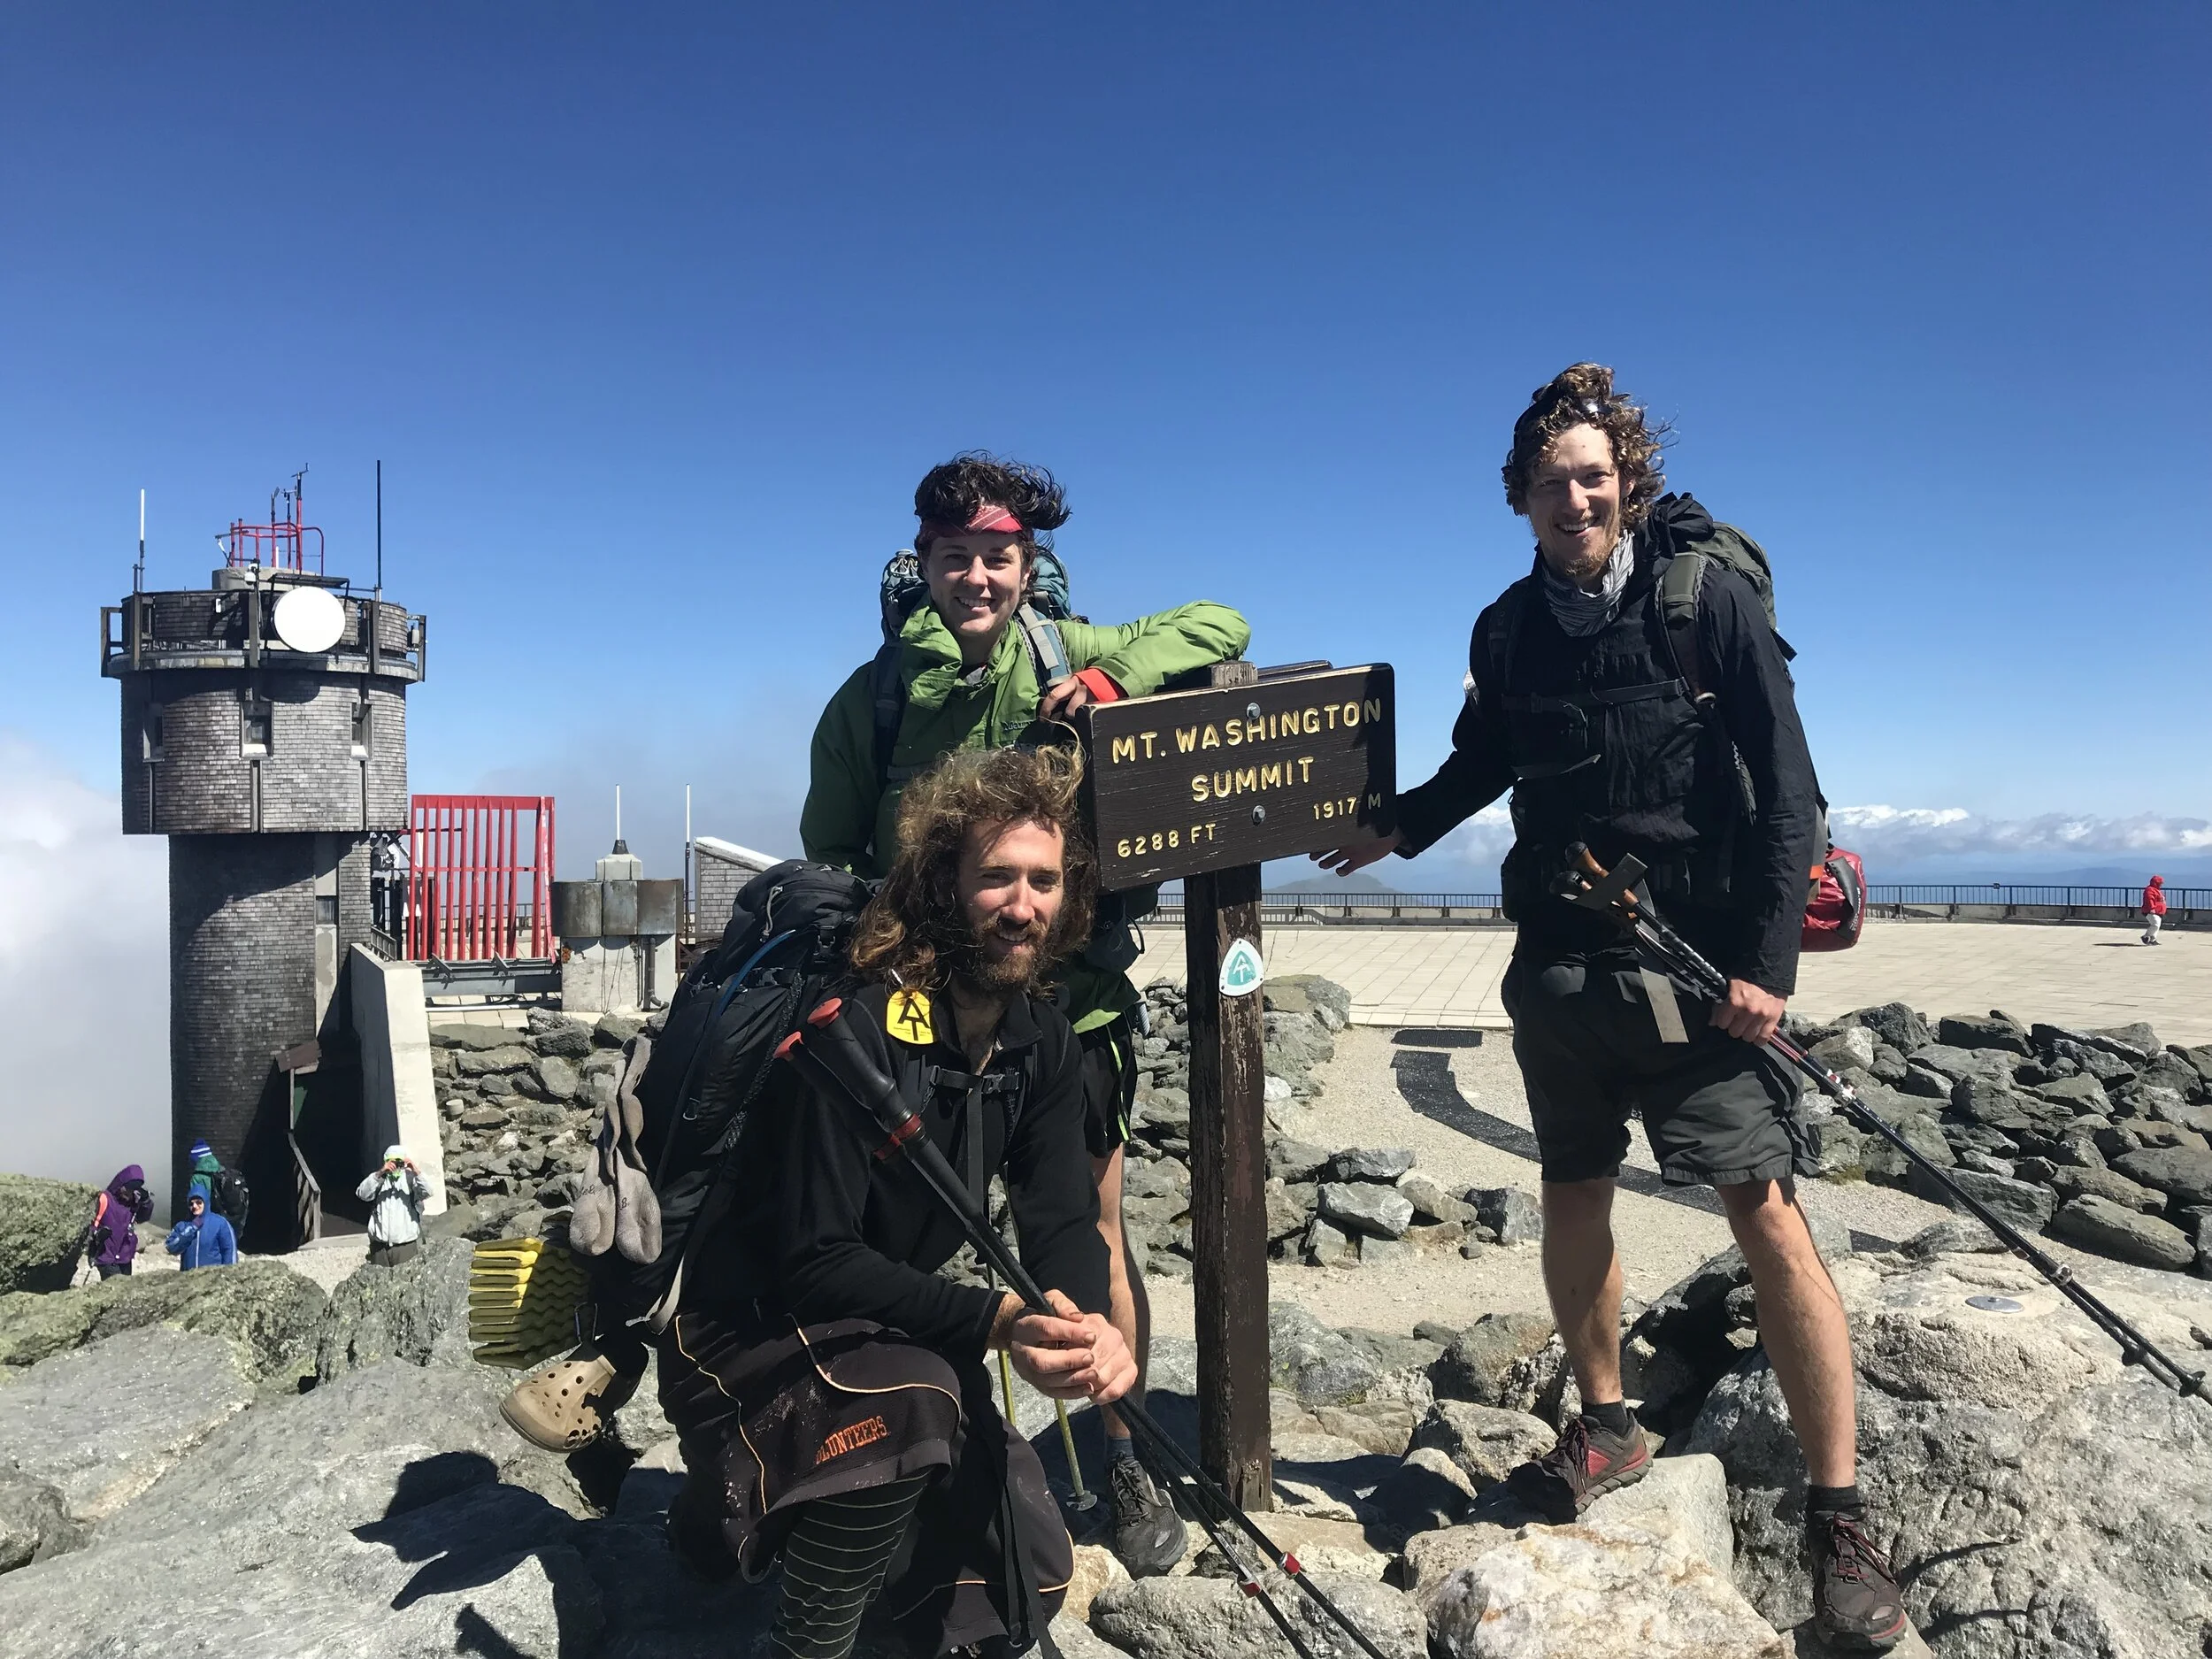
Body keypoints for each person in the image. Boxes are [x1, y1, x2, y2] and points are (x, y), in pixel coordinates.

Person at [1317, 364, 1906, 1651]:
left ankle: (1839, 1509)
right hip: (1567, 966)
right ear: (1520, 497)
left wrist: (1768, 967)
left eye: (1593, 475)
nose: (1573, 496)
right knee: (1573, 1186)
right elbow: (1488, 760)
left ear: (1624, 479)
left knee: (1764, 1206)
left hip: (1701, 973)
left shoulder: (1710, 604)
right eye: (1550, 481)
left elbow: (1790, 790)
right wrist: (1398, 826)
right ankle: (1609, 1421)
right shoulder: (1504, 626)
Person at [800, 452, 1248, 1575]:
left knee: (1088, 1230)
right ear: (926, 562)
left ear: (1027, 562)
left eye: (998, 558)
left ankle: (1121, 1449)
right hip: (915, 1017)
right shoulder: (876, 697)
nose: (978, 579)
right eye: (956, 558)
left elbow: (1220, 621)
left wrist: (1108, 680)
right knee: (878, 1236)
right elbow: (830, 852)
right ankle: (858, 1465)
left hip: (1075, 1007)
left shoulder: (1068, 651)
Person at [662, 745, 1135, 1659]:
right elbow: (816, 1258)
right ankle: (801, 1637)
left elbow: (1062, 1220)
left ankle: (753, 1528)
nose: (1022, 903)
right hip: (741, 1331)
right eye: (995, 876)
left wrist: (1081, 1327)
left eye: (1043, 880)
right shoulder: (858, 1030)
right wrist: (1000, 1320)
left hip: (871, 1331)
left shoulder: (1040, 1041)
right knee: (916, 1407)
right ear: (941, 884)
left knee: (1026, 1563)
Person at [357, 1145, 431, 1265]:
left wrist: (416, 1171)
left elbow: (428, 1191)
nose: (396, 1166)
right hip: (379, 1247)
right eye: (392, 1162)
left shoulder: (410, 1180)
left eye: (399, 1162)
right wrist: (380, 1173)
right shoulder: (379, 1181)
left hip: (405, 1247)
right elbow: (362, 1194)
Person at [88, 1165, 155, 1279]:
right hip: (107, 1257)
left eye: (134, 1189)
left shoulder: (133, 1202)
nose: (130, 1192)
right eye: (128, 1188)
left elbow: (142, 1218)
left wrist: (146, 1202)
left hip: (125, 1257)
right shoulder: (105, 1198)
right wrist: (97, 1235)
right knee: (114, 1290)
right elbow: (93, 1223)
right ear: (120, 1184)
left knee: (123, 1292)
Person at [165, 1190, 237, 1271]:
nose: (195, 1206)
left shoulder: (220, 1223)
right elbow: (171, 1247)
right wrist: (191, 1228)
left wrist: (229, 1275)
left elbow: (229, 1251)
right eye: (191, 1204)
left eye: (198, 1202)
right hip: (188, 1279)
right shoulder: (183, 1225)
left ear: (205, 1202)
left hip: (213, 1279)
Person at [2142, 875, 2167, 945]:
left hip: (2158, 911)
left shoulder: (2156, 890)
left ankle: (2153, 940)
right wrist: (2152, 908)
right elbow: (2149, 900)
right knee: (2155, 925)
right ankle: (2146, 936)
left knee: (2157, 925)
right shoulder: (2150, 890)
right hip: (2150, 911)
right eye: (2160, 883)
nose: (2161, 884)